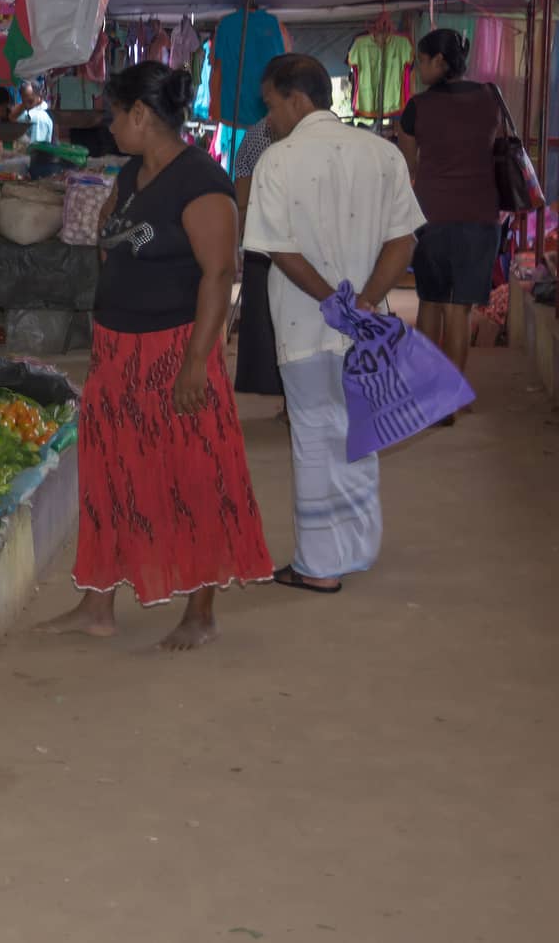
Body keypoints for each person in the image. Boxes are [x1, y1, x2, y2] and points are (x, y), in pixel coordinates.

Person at [34, 62, 272, 650]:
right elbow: (113, 244)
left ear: (141, 114)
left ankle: (201, 612)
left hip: (174, 349)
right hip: (118, 346)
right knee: (109, 471)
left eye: (115, 114)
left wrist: (197, 361)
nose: (110, 125)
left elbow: (219, 274)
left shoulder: (203, 183)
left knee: (194, 473)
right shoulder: (134, 172)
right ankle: (97, 605)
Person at [244, 54, 424, 595]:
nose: (269, 117)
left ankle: (319, 566)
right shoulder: (383, 153)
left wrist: (332, 301)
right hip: (367, 326)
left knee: (314, 436)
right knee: (357, 433)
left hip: (304, 325)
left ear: (298, 99)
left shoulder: (279, 161)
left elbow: (278, 248)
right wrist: (364, 302)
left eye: (272, 104)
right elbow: (404, 238)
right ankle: (357, 549)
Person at [395, 28, 502, 407]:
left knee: (431, 303)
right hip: (480, 216)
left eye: (421, 61)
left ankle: (427, 391)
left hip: (432, 215)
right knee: (460, 310)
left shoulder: (417, 107)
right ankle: (450, 396)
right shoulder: (490, 97)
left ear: (438, 62)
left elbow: (408, 164)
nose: (417, 69)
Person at [230, 117, 285, 405]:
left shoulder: (254, 136)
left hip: (262, 233)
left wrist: (238, 239)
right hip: (288, 233)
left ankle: (263, 378)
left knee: (263, 309)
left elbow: (242, 194)